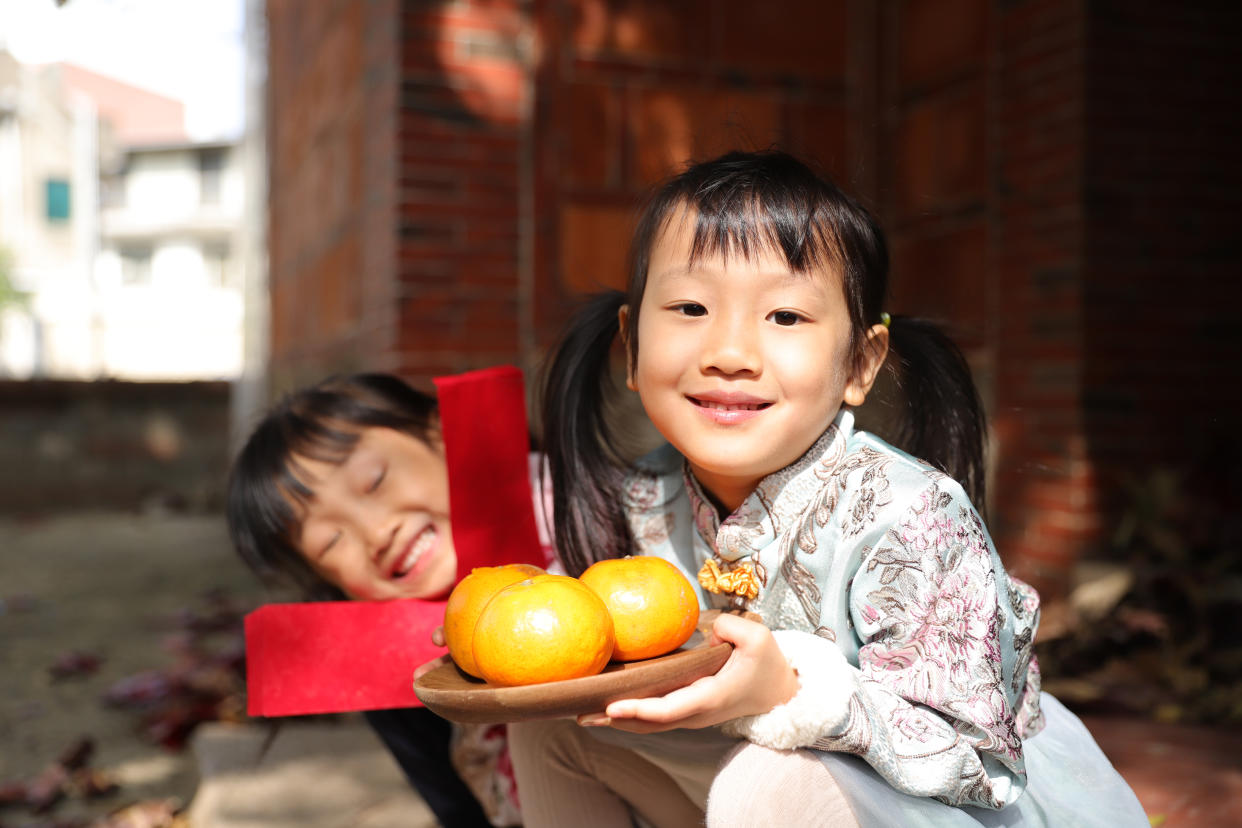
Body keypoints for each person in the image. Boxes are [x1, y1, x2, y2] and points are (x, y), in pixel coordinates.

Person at [520, 150, 1148, 827]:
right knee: (553, 719)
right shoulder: (642, 498)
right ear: (632, 345)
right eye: (691, 306)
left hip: (948, 807)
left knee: (773, 780)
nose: (730, 351)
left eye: (785, 317)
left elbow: (982, 763)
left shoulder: (911, 514)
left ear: (861, 362)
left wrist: (787, 689)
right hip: (748, 796)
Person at [226, 372, 551, 828]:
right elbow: (458, 810)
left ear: (439, 434)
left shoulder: (590, 512)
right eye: (330, 541)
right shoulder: (394, 669)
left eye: (374, 481)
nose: (377, 533)